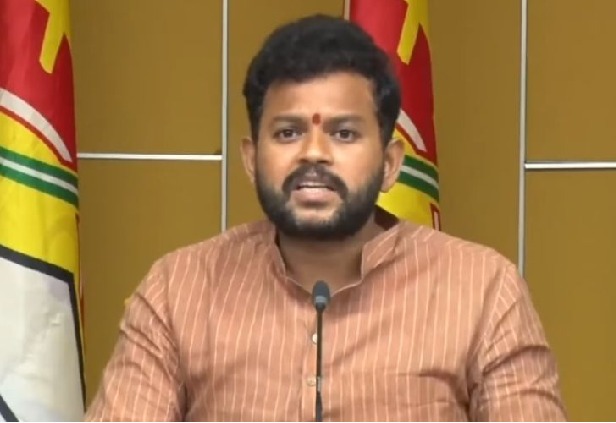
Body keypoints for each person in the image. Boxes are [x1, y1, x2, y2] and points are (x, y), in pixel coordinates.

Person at [85, 14, 567, 422]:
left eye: (344, 133)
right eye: (288, 133)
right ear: (252, 160)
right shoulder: (179, 291)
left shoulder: (483, 291)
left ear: (390, 164)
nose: (314, 153)